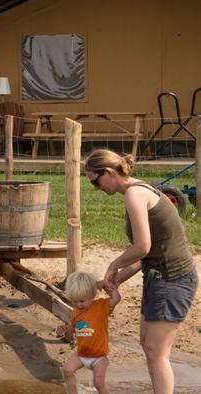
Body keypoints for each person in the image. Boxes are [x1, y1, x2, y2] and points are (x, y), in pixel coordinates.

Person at [85, 149, 197, 394]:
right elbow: (148, 252)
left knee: (157, 352)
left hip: (173, 279)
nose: (96, 188)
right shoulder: (138, 190)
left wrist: (112, 265)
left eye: (96, 181)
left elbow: (141, 246)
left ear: (109, 172)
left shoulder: (135, 194)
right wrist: (114, 279)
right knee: (148, 346)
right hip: (159, 277)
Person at [56, 270, 121, 394]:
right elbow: (75, 327)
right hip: (81, 354)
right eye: (75, 301)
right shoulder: (76, 310)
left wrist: (111, 289)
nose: (78, 305)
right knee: (67, 370)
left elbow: (116, 299)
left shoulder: (101, 306)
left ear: (92, 295)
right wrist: (66, 328)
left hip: (99, 357)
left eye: (82, 301)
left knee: (98, 383)